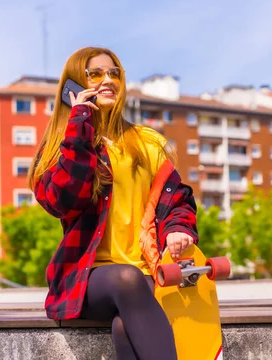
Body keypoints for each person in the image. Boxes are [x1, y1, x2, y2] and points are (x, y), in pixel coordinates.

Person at [27, 46, 199, 360]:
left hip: (149, 274)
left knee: (125, 326)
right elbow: (64, 201)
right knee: (126, 278)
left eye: (114, 73)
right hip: (87, 277)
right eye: (96, 74)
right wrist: (80, 123)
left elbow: (177, 199)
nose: (108, 80)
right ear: (74, 86)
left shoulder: (146, 142)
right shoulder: (60, 148)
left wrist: (177, 228)